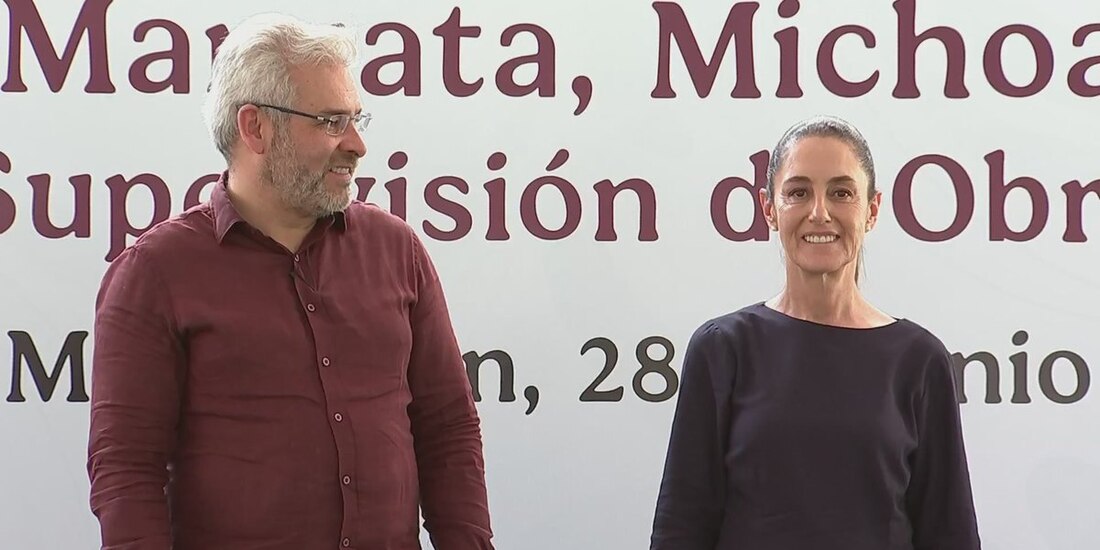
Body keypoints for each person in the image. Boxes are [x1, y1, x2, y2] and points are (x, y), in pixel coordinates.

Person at [87, 13, 494, 550]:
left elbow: (448, 429)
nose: (356, 144)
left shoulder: (395, 249)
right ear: (254, 127)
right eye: (329, 122)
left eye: (356, 120)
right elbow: (125, 469)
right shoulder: (156, 271)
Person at [649, 115, 981, 549]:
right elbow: (681, 530)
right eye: (798, 192)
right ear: (770, 209)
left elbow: (949, 534)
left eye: (841, 193)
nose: (819, 212)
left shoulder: (918, 359)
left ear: (872, 210)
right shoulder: (722, 348)